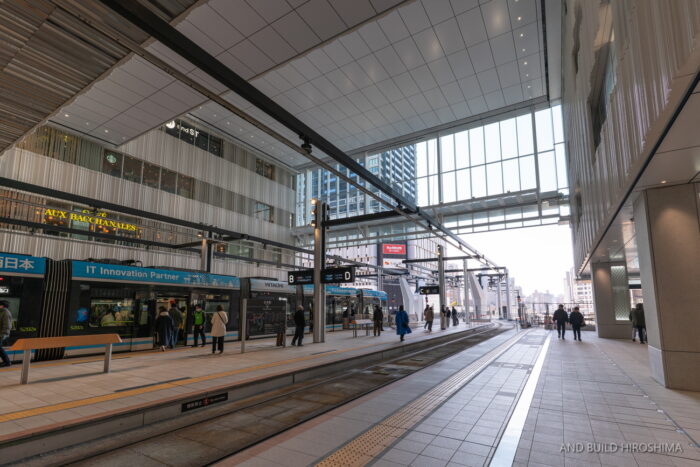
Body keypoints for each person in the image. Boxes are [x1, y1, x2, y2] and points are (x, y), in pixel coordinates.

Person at [0, 301, 13, 367]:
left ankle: (7, 362)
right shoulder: (1, 312)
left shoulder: (6, 313)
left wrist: (3, 334)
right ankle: (7, 362)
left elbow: (7, 326)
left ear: (2, 306)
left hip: (1, 334)